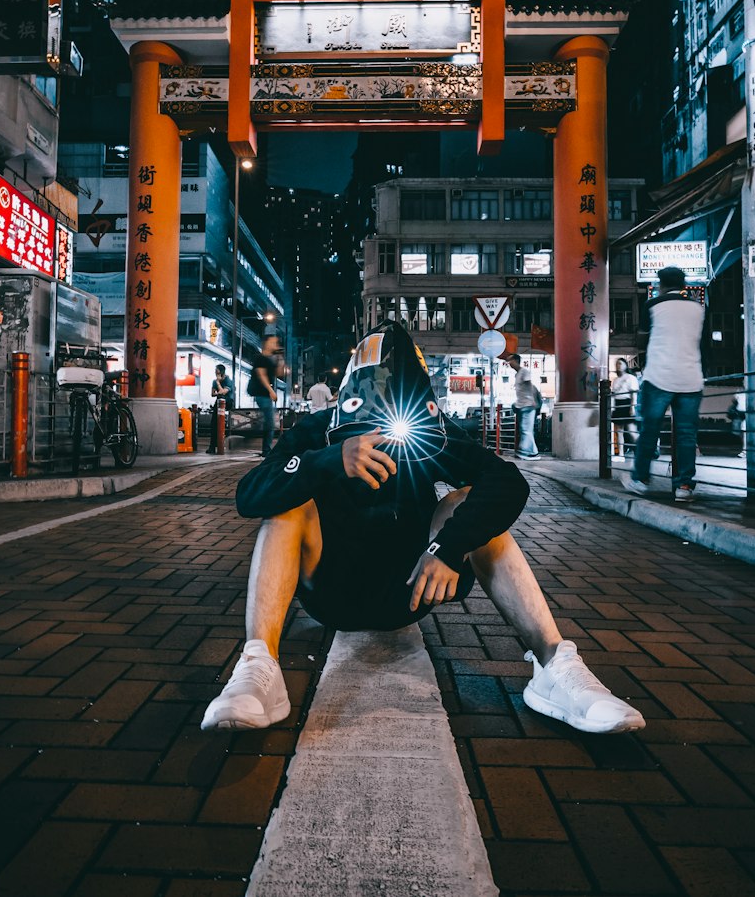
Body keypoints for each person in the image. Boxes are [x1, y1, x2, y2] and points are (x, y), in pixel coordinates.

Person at [201, 321, 644, 736]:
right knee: (286, 507)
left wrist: (449, 547)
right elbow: (249, 495)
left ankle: (555, 668)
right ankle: (259, 668)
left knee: (465, 502)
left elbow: (507, 482)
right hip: (330, 590)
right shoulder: (319, 428)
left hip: (409, 588)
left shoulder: (431, 430)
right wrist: (328, 460)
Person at [623, 266, 705, 502]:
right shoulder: (698, 308)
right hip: (691, 378)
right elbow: (702, 342)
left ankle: (640, 479)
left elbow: (642, 336)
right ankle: (685, 487)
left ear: (661, 284)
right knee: (687, 435)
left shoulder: (652, 306)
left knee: (650, 430)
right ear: (683, 284)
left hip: (659, 377)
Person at [248, 334, 280, 456]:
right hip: (261, 394)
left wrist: (280, 358)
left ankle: (265, 448)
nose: (275, 345)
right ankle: (266, 450)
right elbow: (262, 375)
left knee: (268, 422)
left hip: (265, 395)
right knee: (269, 422)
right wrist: (271, 390)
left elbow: (279, 373)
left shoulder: (269, 360)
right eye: (273, 342)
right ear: (266, 343)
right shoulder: (260, 358)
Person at [506, 352, 542, 459]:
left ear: (516, 361)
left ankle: (525, 451)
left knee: (526, 430)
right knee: (525, 429)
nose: (509, 363)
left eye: (510, 361)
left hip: (528, 405)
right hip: (523, 405)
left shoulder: (524, 372)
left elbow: (529, 385)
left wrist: (533, 400)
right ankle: (533, 452)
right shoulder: (517, 374)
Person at [610, 358, 639, 456]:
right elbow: (613, 396)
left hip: (627, 403)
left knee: (631, 431)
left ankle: (641, 451)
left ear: (626, 365)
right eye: (617, 364)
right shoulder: (615, 380)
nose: (619, 365)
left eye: (621, 363)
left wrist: (632, 407)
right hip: (618, 404)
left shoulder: (630, 378)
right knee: (619, 431)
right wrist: (613, 408)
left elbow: (633, 394)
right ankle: (621, 453)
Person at [208, 364, 234, 454]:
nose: (215, 372)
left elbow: (223, 393)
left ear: (221, 372)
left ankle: (218, 445)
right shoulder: (214, 381)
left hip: (228, 401)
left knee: (221, 400)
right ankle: (212, 446)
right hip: (219, 402)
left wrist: (219, 383)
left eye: (217, 371)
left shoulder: (228, 380)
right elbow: (212, 394)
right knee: (213, 423)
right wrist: (218, 390)